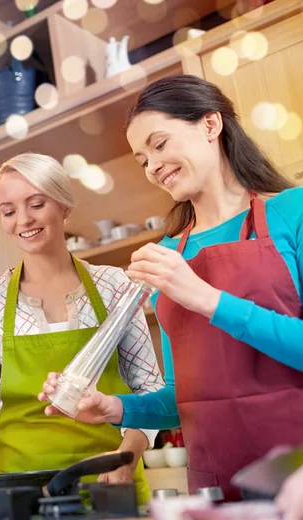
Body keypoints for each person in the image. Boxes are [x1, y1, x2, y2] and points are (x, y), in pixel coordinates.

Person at [40, 75, 303, 501]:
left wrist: (204, 297)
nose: (152, 167)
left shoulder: (294, 211)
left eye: (159, 145)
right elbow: (187, 395)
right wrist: (115, 408)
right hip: (220, 482)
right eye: (142, 159)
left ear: (211, 125)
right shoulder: (167, 256)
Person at [0, 153, 165, 504]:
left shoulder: (114, 287)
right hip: (22, 494)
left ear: (65, 206)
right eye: (8, 211)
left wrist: (126, 460)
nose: (23, 220)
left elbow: (150, 390)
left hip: (111, 483)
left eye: (36, 204)